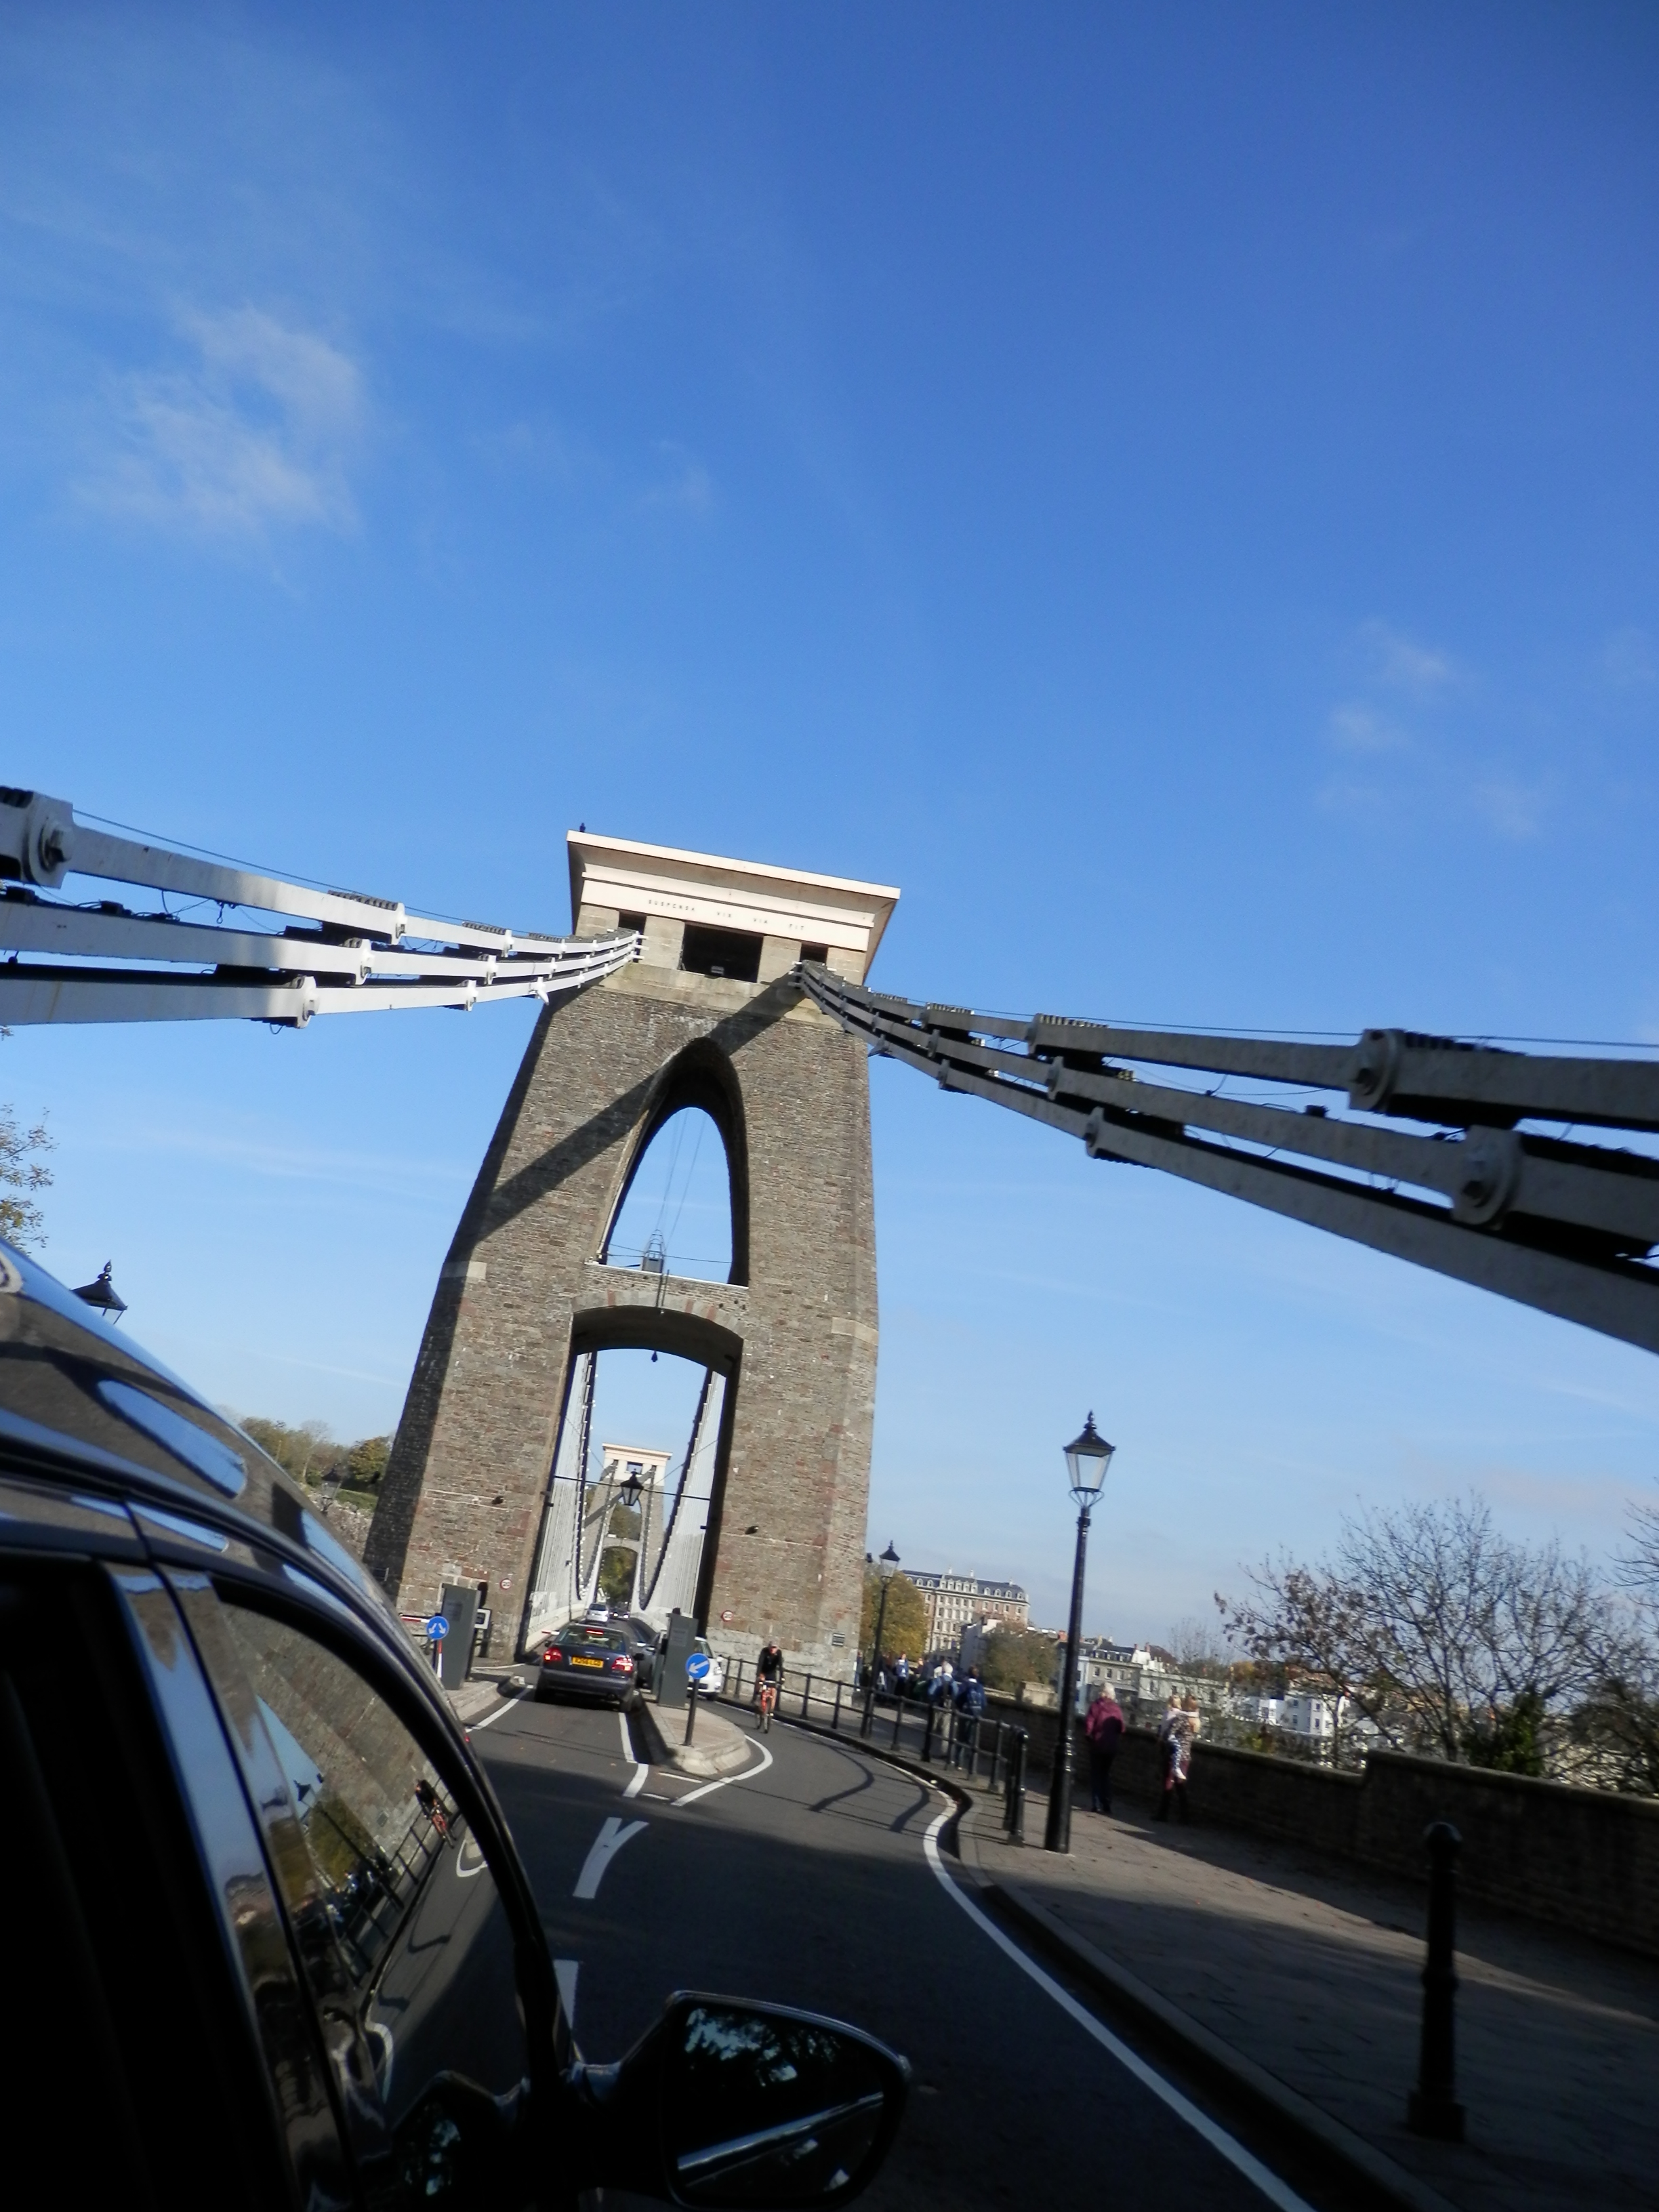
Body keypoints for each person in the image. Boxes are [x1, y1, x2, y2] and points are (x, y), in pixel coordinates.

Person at [1083, 1687, 1126, 1815]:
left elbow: (1089, 1724)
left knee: (1096, 1774)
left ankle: (1096, 1804)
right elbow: (1122, 1728)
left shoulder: (1095, 1706)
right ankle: (1106, 1803)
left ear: (1103, 1694)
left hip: (1097, 1745)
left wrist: (1088, 1735)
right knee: (1106, 1774)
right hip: (1111, 1747)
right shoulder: (1116, 1709)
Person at [754, 1640, 784, 1722]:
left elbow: (780, 1665)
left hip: (772, 1674)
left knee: (773, 1692)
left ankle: (771, 1711)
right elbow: (760, 1663)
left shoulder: (779, 1653)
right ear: (768, 1647)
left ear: (777, 1648)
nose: (772, 1649)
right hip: (763, 1672)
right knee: (759, 1683)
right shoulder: (764, 1651)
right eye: (771, 1647)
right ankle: (756, 1697)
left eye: (774, 1648)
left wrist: (782, 1677)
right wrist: (759, 1675)